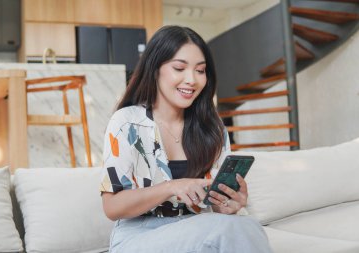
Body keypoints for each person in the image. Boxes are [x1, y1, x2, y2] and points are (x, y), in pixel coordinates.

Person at [100, 25, 272, 253]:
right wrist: (171, 187)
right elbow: (112, 206)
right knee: (228, 230)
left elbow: (213, 210)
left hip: (197, 230)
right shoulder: (126, 122)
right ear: (155, 69)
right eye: (179, 68)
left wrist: (228, 205)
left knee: (244, 224)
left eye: (200, 71)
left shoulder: (213, 128)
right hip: (140, 236)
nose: (191, 79)